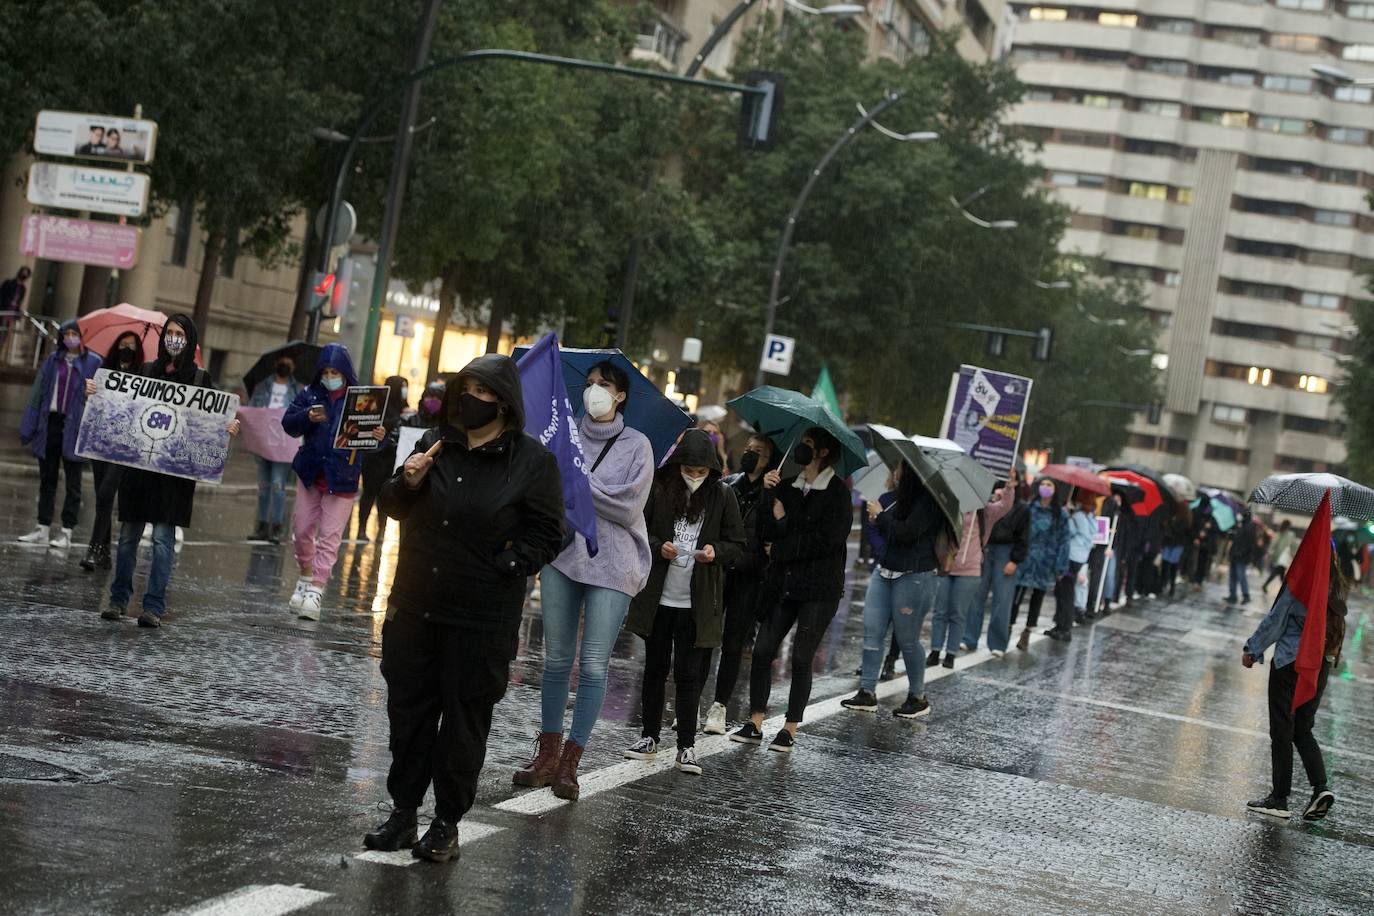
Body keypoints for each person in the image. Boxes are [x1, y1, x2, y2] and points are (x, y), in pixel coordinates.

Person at [365, 354, 564, 862]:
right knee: (407, 717)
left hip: (480, 618)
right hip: (415, 607)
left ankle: (446, 823)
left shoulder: (531, 462)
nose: (469, 399)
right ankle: (403, 813)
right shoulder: (434, 443)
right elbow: (390, 507)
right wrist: (406, 481)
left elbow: (549, 532)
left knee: (462, 724)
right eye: (465, 388)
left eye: (481, 391)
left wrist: (512, 561)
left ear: (501, 401)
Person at [513, 361, 654, 800]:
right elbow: (544, 492)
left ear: (621, 396)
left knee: (593, 665)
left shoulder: (638, 446)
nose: (594, 391)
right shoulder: (562, 435)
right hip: (562, 556)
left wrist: (577, 482)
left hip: (614, 565)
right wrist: (567, 480)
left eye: (604, 385)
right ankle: (547, 755)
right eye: (590, 384)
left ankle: (571, 762)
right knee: (555, 661)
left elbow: (627, 508)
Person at [99, 315, 240, 628]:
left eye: (180, 334)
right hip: (140, 469)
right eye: (170, 333)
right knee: (128, 538)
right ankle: (118, 600)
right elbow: (122, 406)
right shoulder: (147, 370)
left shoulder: (201, 379)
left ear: (190, 339)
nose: (173, 338)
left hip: (173, 476)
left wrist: (227, 429)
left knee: (163, 541)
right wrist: (96, 397)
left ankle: (153, 607)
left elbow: (216, 419)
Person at [623, 429, 745, 773]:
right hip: (659, 599)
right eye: (688, 470)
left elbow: (737, 543)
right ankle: (649, 736)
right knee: (655, 669)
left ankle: (687, 746)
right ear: (678, 466)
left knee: (689, 675)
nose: (693, 477)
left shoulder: (723, 496)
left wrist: (714, 552)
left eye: (700, 472)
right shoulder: (660, 489)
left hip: (698, 603)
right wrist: (659, 544)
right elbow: (639, 530)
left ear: (711, 470)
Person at [730, 427, 852, 752]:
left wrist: (784, 547)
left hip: (819, 588)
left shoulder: (838, 493)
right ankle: (755, 721)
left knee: (801, 657)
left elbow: (829, 540)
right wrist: (770, 494)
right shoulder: (787, 485)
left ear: (823, 452)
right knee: (762, 650)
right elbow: (768, 531)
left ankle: (789, 728)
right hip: (783, 583)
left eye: (809, 445)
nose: (802, 449)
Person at [1243, 551, 1348, 821]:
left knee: (1282, 728)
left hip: (1291, 662)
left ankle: (1279, 798)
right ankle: (1320, 788)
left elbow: (1275, 621)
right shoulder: (1334, 586)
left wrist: (1252, 650)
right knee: (1302, 728)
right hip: (1319, 666)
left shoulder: (1300, 582)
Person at [281, 343, 383, 621]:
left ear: (345, 371)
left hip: (343, 478)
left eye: (335, 371)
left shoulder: (361, 400)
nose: (330, 376)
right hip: (311, 473)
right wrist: (306, 416)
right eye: (325, 371)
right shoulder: (311, 394)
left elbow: (370, 444)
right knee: (301, 529)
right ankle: (305, 574)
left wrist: (377, 436)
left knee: (329, 536)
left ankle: (317, 587)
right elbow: (288, 423)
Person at [841, 461, 948, 718]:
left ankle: (918, 697)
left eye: (899, 469)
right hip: (884, 571)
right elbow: (881, 532)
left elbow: (906, 533)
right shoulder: (891, 499)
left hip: (914, 575)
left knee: (907, 639)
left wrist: (880, 516)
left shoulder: (928, 502)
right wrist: (877, 519)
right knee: (872, 630)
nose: (894, 473)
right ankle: (867, 692)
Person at [702, 433, 777, 735]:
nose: (750, 454)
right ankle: (691, 703)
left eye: (757, 451)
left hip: (749, 578)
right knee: (705, 638)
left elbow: (771, 536)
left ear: (769, 459)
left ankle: (719, 707)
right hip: (720, 571)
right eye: (747, 449)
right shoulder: (729, 484)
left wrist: (771, 495)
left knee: (733, 644)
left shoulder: (773, 492)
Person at [17, 319, 103, 549]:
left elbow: (101, 398)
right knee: (48, 478)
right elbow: (38, 392)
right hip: (51, 424)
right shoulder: (53, 361)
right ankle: (43, 527)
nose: (70, 337)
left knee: (73, 482)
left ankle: (67, 530)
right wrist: (29, 426)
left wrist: (89, 395)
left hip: (75, 425)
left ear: (81, 337)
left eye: (75, 333)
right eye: (67, 333)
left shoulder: (93, 363)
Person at [928, 481, 1014, 667]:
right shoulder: (949, 506)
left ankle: (950, 654)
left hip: (970, 570)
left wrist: (1009, 486)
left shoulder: (985, 512)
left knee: (958, 613)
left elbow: (1005, 505)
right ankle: (935, 651)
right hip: (945, 566)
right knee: (940, 611)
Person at [80, 331, 142, 571]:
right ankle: (105, 553)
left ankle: (94, 549)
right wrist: (90, 393)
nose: (126, 349)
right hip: (101, 443)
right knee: (102, 498)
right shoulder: (103, 373)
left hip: (124, 447)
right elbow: (93, 407)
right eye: (123, 345)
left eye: (131, 346)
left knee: (106, 494)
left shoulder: (141, 377)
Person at [964, 473, 1029, 656]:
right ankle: (969, 638)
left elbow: (1024, 537)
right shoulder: (989, 501)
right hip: (986, 549)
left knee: (1002, 600)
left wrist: (1015, 560)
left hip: (1006, 552)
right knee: (976, 596)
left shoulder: (1022, 509)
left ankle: (998, 643)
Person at [247, 354, 303, 543]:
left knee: (278, 485)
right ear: (275, 363)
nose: (285, 364)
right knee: (264, 486)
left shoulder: (297, 390)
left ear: (294, 365)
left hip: (283, 445)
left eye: (289, 361)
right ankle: (262, 525)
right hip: (264, 442)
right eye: (282, 361)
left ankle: (277, 526)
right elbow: (253, 409)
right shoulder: (263, 386)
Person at [1010, 479, 1070, 651]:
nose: (1046, 487)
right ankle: (1008, 626)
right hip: (1026, 558)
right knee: (1016, 595)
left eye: (1050, 485)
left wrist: (1060, 566)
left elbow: (1064, 542)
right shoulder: (1029, 508)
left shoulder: (1061, 514)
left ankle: (1027, 631)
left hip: (1046, 562)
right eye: (1044, 484)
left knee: (1037, 598)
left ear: (1055, 490)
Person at [356, 375, 409, 543]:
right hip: (374, 458)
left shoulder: (405, 409)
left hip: (392, 460)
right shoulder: (379, 407)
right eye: (402, 386)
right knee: (369, 493)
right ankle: (362, 529)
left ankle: (381, 530)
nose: (404, 390)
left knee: (384, 495)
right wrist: (398, 418)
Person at [1056, 493, 1097, 638]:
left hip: (1071, 555)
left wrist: (1068, 517)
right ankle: (1063, 624)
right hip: (1081, 557)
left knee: (1065, 590)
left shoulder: (1078, 516)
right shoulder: (1091, 517)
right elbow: (1092, 534)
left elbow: (1071, 532)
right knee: (1068, 588)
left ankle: (1064, 626)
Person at [1227, 511, 1262, 605]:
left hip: (1241, 556)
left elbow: (1250, 544)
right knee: (1233, 575)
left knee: (1240, 575)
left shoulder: (1249, 527)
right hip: (1235, 555)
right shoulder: (1242, 526)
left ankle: (1245, 595)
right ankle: (1233, 595)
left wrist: (1242, 553)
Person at [1158, 502, 1191, 599]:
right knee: (1166, 564)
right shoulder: (1174, 517)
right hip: (1171, 543)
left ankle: (1170, 584)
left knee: (1171, 564)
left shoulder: (1184, 520)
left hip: (1176, 544)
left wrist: (1170, 525)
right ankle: (1164, 583)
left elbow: (1179, 531)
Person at [1190, 500, 1219, 588]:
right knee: (1195, 561)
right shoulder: (1201, 516)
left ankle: (1199, 579)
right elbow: (1196, 527)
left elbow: (1215, 532)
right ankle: (1194, 578)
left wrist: (1209, 528)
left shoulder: (1212, 520)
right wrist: (1198, 535)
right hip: (1199, 543)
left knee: (1202, 563)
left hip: (1206, 546)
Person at [1263, 520, 1296, 592]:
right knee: (1278, 572)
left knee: (1280, 572)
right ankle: (1285, 590)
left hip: (1278, 556)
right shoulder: (1290, 535)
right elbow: (1294, 545)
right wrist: (1293, 554)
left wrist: (1270, 552)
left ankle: (1284, 589)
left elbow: (1274, 543)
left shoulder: (1279, 533)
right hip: (1284, 557)